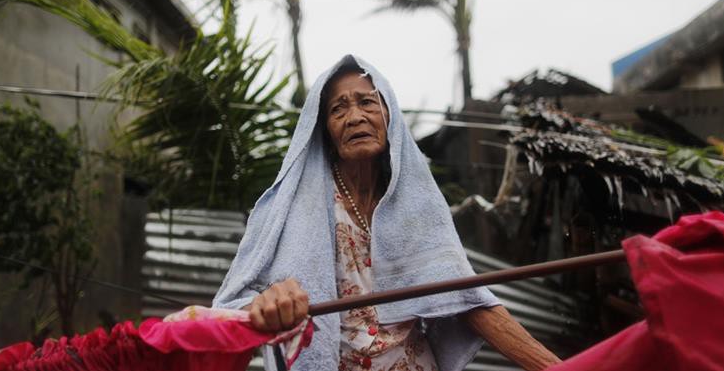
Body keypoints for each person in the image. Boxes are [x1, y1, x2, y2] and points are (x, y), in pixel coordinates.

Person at [212, 55, 561, 371]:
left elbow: (466, 299)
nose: (355, 117)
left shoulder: (415, 205)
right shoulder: (286, 209)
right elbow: (230, 306)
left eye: (367, 102)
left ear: (389, 116)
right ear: (325, 132)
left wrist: (556, 367)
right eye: (338, 109)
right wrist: (265, 303)